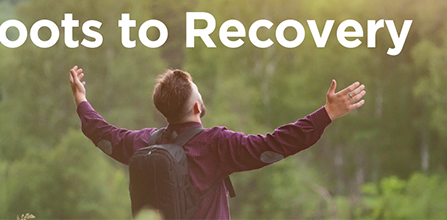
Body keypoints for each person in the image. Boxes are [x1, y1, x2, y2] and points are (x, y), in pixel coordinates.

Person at [68, 66, 365, 220]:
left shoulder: (144, 143)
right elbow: (275, 146)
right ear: (197, 107)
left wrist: (81, 99)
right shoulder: (216, 145)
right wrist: (327, 114)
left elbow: (104, 135)